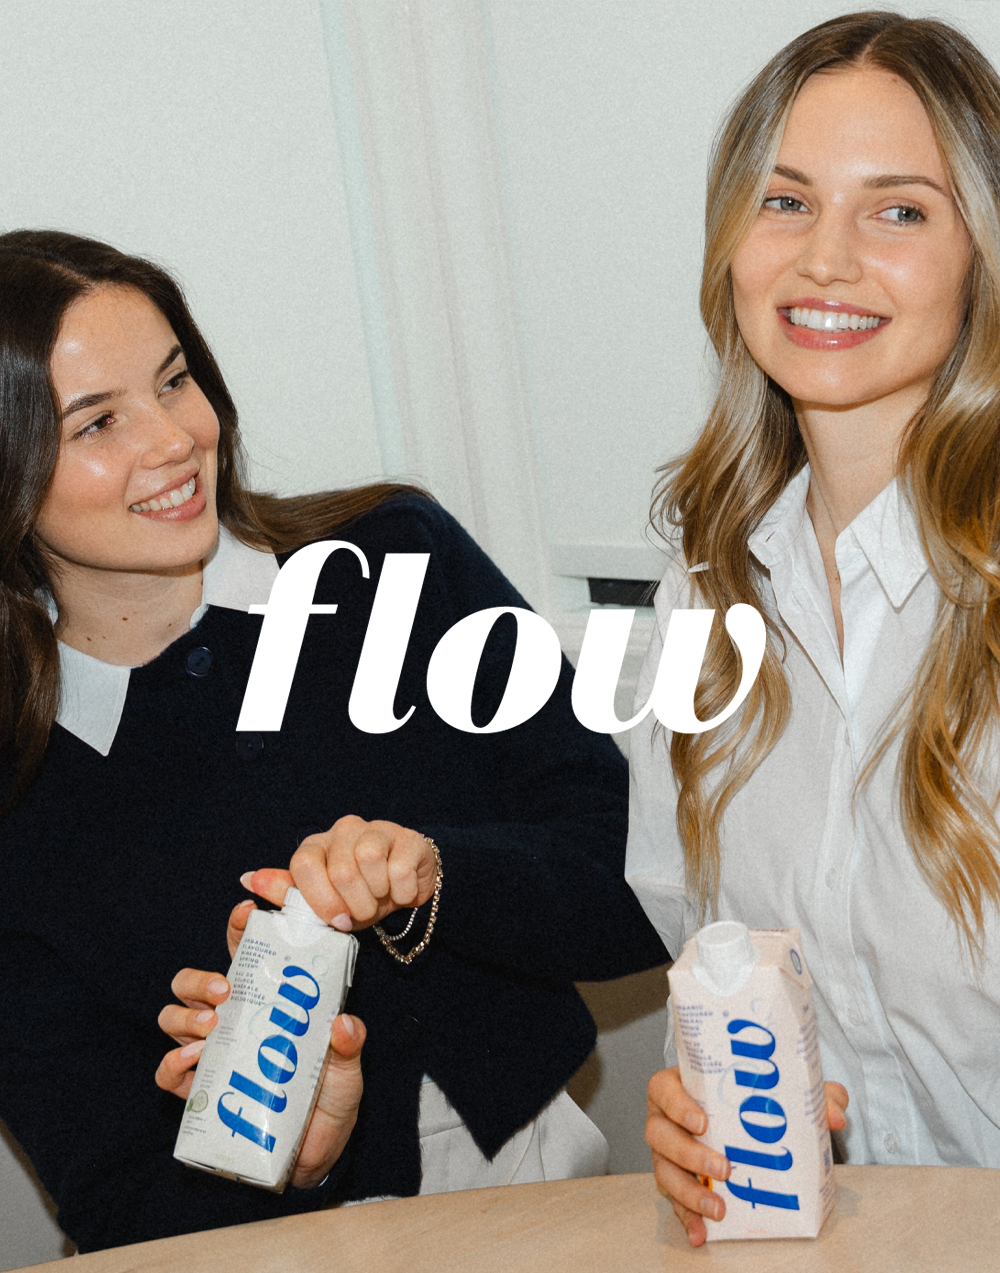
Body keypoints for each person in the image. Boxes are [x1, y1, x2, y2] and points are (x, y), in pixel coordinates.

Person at [0, 229, 667, 1254]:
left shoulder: (397, 559)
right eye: (98, 422)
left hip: (536, 1193)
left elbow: (632, 890)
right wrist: (295, 1163)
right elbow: (113, 1196)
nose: (174, 439)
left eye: (175, 381)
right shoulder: (23, 791)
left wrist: (437, 874)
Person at [625, 9, 1000, 1248]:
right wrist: (701, 1116)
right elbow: (708, 963)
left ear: (982, 256)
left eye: (898, 211)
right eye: (785, 202)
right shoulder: (698, 596)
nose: (826, 260)